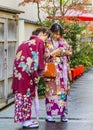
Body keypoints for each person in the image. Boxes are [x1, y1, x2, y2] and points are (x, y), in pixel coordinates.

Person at [11, 27, 50, 129]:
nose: (45, 40)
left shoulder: (24, 43)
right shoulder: (39, 42)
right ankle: (26, 120)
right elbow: (39, 60)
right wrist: (40, 73)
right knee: (27, 96)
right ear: (42, 34)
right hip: (28, 73)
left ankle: (24, 119)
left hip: (19, 74)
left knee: (21, 95)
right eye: (46, 37)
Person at [44, 23, 72, 122]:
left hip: (62, 71)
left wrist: (64, 52)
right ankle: (49, 114)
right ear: (51, 32)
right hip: (52, 71)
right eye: (55, 33)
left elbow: (70, 52)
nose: (57, 36)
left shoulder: (63, 41)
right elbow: (44, 56)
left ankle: (63, 114)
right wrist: (53, 53)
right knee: (50, 92)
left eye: (59, 34)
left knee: (63, 93)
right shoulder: (47, 42)